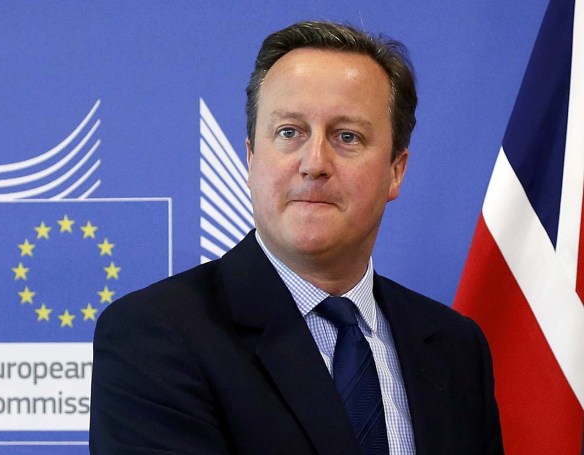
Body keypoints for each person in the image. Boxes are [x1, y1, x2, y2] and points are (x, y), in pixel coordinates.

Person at [89, 20, 503, 454]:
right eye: (290, 132)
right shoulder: (155, 336)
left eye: (348, 137)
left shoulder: (456, 348)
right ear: (251, 158)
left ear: (396, 171)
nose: (314, 163)